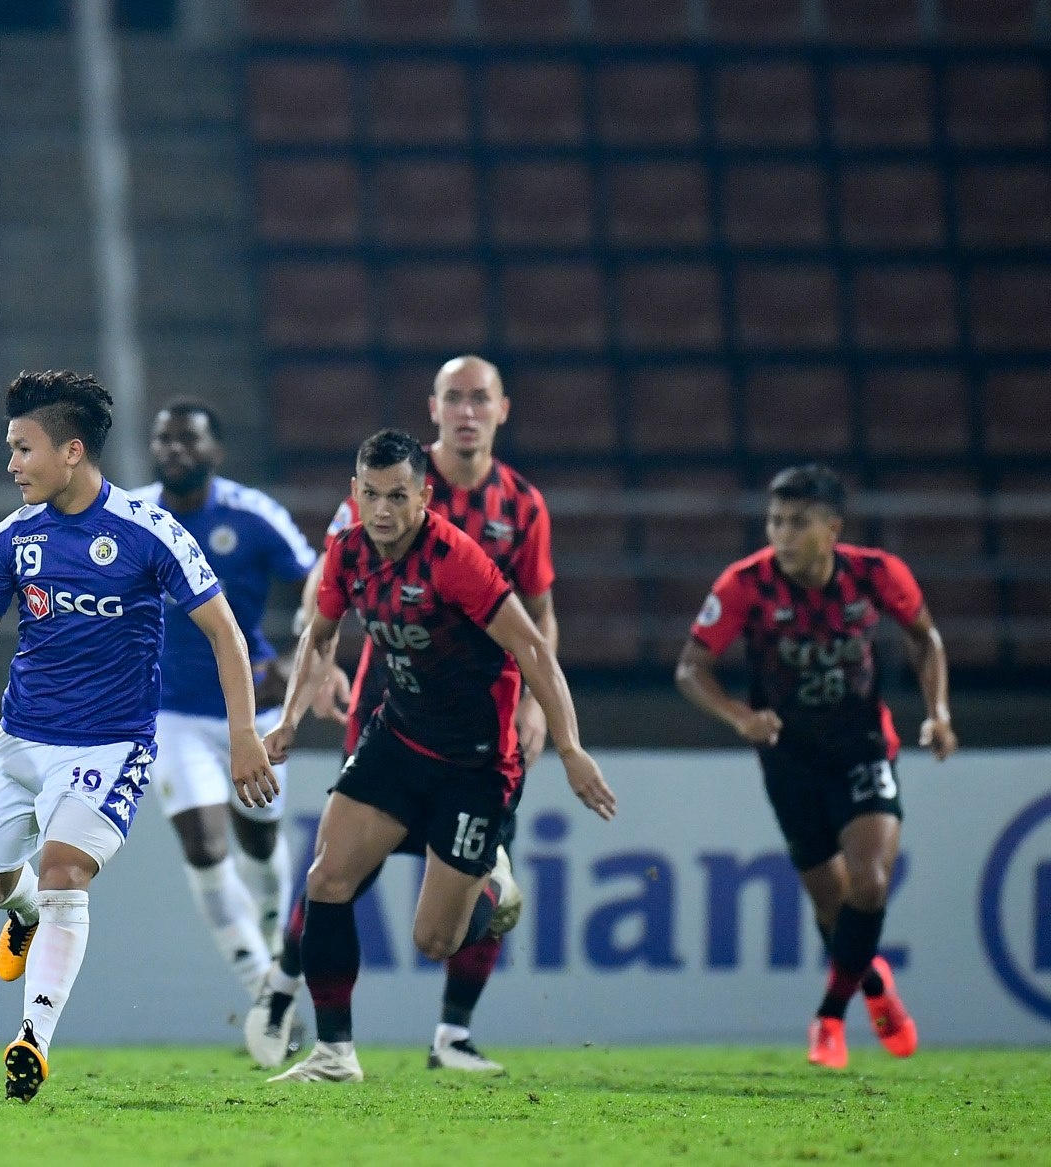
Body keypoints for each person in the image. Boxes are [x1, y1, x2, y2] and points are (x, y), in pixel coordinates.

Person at [0, 370, 275, 1101]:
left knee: (66, 867)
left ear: (71, 451)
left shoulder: (148, 532)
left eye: (22, 448)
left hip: (110, 744)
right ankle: (24, 909)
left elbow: (224, 631)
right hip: (20, 741)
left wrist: (244, 733)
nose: (11, 463)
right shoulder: (14, 536)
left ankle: (32, 1039)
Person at [263, 430, 615, 1084]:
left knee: (435, 941)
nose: (383, 509)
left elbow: (533, 648)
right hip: (396, 737)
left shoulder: (456, 560)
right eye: (371, 494)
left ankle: (491, 884)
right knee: (326, 880)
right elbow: (320, 637)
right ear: (355, 493)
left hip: (475, 763)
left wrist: (569, 747)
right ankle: (334, 1054)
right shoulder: (346, 552)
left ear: (424, 495)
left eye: (398, 495)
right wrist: (288, 719)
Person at [675, 464, 955, 1069]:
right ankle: (873, 984)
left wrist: (938, 713)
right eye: (775, 521)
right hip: (790, 759)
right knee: (832, 904)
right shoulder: (745, 584)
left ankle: (828, 1017)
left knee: (871, 883)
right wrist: (740, 716)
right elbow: (691, 668)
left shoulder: (875, 573)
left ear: (833, 529)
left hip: (862, 746)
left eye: (798, 523)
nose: (782, 534)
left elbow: (924, 638)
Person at [136, 399, 317, 1012]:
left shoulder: (252, 514)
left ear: (216, 452)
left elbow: (319, 588)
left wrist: (295, 662)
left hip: (253, 707)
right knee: (206, 847)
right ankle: (263, 989)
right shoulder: (133, 517)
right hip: (170, 712)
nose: (174, 450)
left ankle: (274, 937)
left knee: (258, 842)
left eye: (188, 440)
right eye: (164, 439)